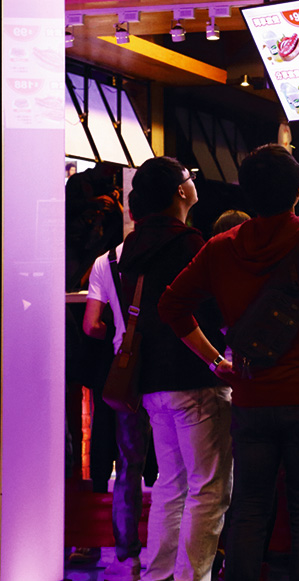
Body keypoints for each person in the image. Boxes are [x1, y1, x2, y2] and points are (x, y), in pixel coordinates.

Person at [158, 144, 299, 581]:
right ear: (298, 191)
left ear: (247, 192)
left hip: (251, 397)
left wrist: (214, 360)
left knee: (249, 508)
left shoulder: (221, 248)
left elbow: (171, 306)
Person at [115, 157, 232, 581]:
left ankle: (160, 574)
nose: (193, 182)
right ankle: (192, 577)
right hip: (194, 375)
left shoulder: (133, 246)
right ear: (181, 191)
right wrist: (218, 356)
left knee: (171, 483)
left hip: (152, 381)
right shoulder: (188, 244)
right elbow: (212, 307)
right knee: (209, 488)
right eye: (189, 177)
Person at [82, 239, 154, 581]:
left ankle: (127, 557)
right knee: (179, 468)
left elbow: (90, 324)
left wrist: (120, 332)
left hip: (127, 370)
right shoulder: (177, 247)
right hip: (171, 369)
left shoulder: (106, 261)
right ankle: (171, 556)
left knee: (128, 466)